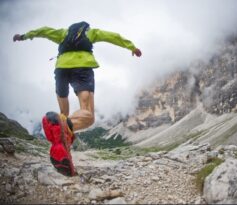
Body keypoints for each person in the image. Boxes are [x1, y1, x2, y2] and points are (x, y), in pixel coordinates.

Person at [13, 21, 142, 176]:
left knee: (63, 114)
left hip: (61, 70)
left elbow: (44, 31)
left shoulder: (62, 33)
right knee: (87, 115)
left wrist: (24, 36)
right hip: (82, 69)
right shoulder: (91, 32)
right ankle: (63, 131)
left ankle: (63, 146)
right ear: (85, 27)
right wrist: (132, 47)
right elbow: (112, 37)